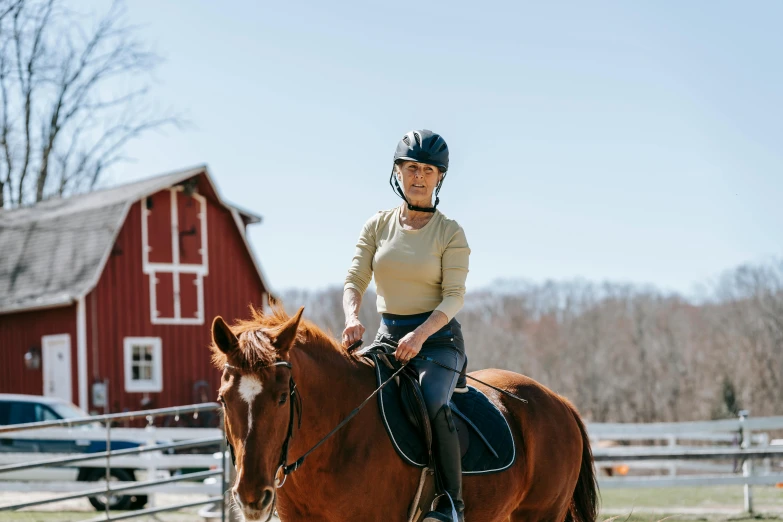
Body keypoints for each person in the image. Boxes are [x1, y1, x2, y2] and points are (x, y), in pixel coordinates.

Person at [342, 129, 470, 522]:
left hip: (437, 341)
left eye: (428, 170)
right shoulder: (377, 225)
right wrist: (351, 317)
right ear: (397, 172)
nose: (419, 176)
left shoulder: (450, 233)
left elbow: (454, 296)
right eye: (411, 168)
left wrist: (420, 334)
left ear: (439, 178)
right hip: (387, 336)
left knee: (433, 401)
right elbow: (355, 279)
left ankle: (450, 502)